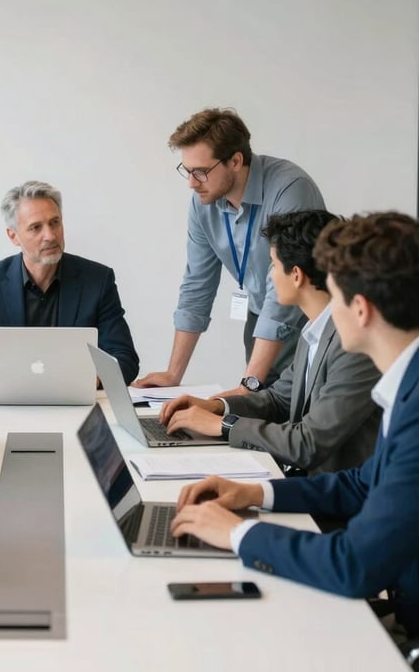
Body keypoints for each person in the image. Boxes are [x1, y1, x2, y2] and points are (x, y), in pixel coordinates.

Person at [171, 212, 419, 638]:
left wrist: (239, 534)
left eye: (336, 296)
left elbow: (352, 565)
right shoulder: (405, 382)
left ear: (360, 309)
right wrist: (255, 493)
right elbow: (361, 484)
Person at [159, 210, 381, 475]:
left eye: (273, 265)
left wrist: (223, 425)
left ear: (296, 275)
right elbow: (278, 400)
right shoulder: (314, 328)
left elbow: (308, 443)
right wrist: (216, 406)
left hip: (333, 499)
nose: (271, 275)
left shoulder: (353, 346)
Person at [134, 108, 325, 395]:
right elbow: (197, 282)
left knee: (292, 416)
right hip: (258, 318)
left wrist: (248, 385)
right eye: (187, 171)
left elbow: (281, 296)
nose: (191, 183)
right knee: (257, 411)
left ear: (235, 161)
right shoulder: (203, 202)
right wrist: (173, 374)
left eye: (200, 171)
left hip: (305, 322)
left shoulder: (290, 190)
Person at [0, 180, 139, 389]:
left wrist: (92, 379)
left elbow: (125, 358)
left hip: (77, 404)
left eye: (55, 223)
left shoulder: (97, 279)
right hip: (7, 405)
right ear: (13, 236)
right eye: (36, 228)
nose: (50, 236)